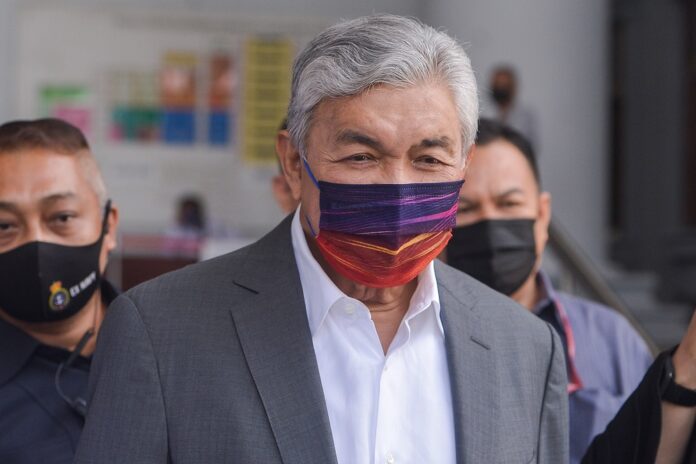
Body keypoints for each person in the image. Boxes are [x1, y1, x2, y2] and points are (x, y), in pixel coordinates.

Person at [75, 15, 568, 463]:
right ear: (293, 163)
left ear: (463, 164)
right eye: (361, 157)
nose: (398, 189)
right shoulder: (161, 334)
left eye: (428, 160)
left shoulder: (525, 349)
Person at [446, 118, 696, 463]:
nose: (491, 223)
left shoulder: (611, 338)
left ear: (543, 215)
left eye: (509, 204)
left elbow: (657, 445)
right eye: (466, 208)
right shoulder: (423, 340)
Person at [0, 118, 119, 463]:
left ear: (108, 227)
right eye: (4, 225)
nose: (36, 242)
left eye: (62, 217)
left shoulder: (177, 354)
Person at [486, 65, 539, 149]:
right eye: (497, 85)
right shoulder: (484, 114)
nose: (500, 89)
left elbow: (530, 146)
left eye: (504, 85)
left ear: (513, 87)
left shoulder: (525, 116)